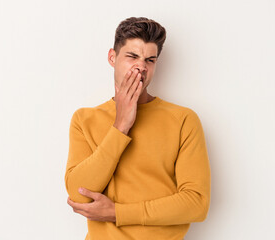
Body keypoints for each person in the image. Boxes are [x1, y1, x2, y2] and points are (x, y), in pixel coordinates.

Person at [64, 16, 211, 240]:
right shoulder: (85, 119)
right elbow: (78, 194)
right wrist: (120, 125)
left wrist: (117, 213)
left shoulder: (183, 120)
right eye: (132, 56)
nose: (141, 66)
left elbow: (196, 203)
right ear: (112, 57)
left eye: (150, 60)